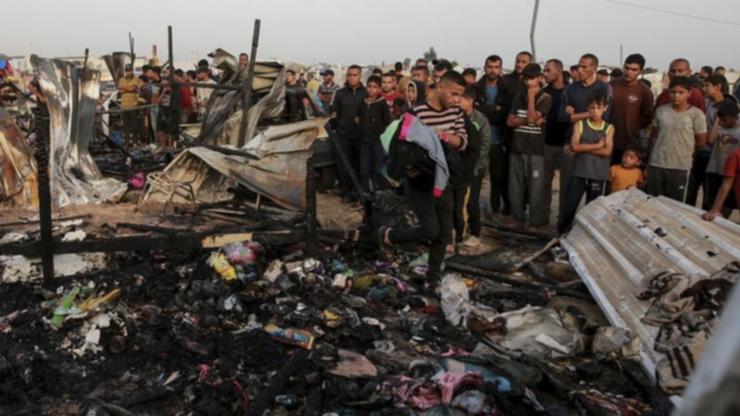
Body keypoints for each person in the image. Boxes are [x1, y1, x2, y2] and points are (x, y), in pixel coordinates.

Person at [383, 71, 469, 279]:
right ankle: (390, 236)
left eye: (460, 95)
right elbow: (400, 147)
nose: (456, 99)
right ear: (440, 87)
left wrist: (444, 136)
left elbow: (462, 142)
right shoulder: (417, 113)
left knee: (445, 233)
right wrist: (410, 169)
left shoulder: (456, 113)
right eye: (454, 93)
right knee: (430, 230)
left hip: (443, 179)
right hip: (421, 181)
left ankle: (433, 274)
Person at [558, 53, 612, 225]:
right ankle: (563, 230)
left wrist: (576, 115)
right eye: (579, 66)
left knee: (594, 197)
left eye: (584, 67)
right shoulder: (571, 89)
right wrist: (585, 115)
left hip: (596, 149)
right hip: (572, 147)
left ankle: (588, 230)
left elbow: (603, 119)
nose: (580, 70)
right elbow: (562, 117)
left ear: (594, 68)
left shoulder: (604, 89)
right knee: (569, 194)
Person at [506, 63, 552, 229]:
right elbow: (510, 121)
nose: (529, 83)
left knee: (536, 188)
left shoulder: (545, 98)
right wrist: (529, 120)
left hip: (535, 150)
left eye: (532, 79)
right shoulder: (518, 96)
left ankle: (535, 221)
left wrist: (532, 98)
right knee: (515, 187)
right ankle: (518, 218)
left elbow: (533, 117)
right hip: (518, 147)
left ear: (539, 78)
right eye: (526, 79)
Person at [648, 76, 708, 202]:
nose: (676, 96)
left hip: (680, 167)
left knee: (675, 205)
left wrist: (689, 156)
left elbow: (701, 142)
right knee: (654, 203)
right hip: (657, 164)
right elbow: (654, 137)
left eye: (681, 92)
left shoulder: (696, 115)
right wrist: (649, 160)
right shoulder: (661, 111)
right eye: (673, 92)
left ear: (689, 93)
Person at [473, 54, 509, 216]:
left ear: (500, 69)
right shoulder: (476, 88)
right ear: (485, 67)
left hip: (497, 140)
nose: (493, 70)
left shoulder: (506, 90)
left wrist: (486, 111)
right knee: (475, 178)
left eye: (496, 67)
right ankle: (473, 212)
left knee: (497, 179)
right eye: (490, 67)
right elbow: (475, 112)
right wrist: (494, 109)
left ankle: (494, 210)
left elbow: (504, 115)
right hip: (479, 141)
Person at [694, 74, 737, 207]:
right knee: (705, 194)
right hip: (708, 157)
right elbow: (709, 136)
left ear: (718, 87)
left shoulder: (730, 107)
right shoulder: (706, 103)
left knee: (723, 198)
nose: (704, 88)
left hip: (724, 160)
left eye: (707, 85)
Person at [609, 53, 654, 164]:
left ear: (640, 71)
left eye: (634, 70)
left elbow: (648, 116)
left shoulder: (644, 91)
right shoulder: (611, 85)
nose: (629, 72)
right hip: (607, 140)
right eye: (627, 68)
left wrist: (635, 126)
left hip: (630, 143)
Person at [460, 86, 491, 246]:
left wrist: (474, 164)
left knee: (472, 200)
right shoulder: (456, 117)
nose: (457, 102)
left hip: (475, 167)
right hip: (460, 166)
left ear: (470, 101)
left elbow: (485, 145)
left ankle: (475, 232)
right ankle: (460, 231)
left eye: (461, 100)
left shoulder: (480, 120)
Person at [331, 65, 367, 201]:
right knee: (343, 166)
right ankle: (345, 191)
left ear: (360, 76)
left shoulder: (365, 92)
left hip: (360, 136)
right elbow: (333, 114)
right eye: (350, 75)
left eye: (355, 75)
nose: (352, 77)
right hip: (343, 135)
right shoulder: (340, 93)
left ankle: (357, 193)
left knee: (359, 165)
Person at [543, 59, 570, 220]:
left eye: (548, 70)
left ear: (559, 71)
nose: (545, 74)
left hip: (566, 144)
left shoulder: (571, 91)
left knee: (566, 185)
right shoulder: (545, 93)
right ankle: (543, 217)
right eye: (544, 71)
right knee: (544, 183)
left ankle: (563, 220)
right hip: (547, 143)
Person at [704, 101, 740, 214]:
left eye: (726, 120)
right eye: (721, 120)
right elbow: (710, 140)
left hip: (731, 172)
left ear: (735, 117)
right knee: (710, 201)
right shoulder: (719, 128)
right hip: (715, 169)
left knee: (728, 203)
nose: (723, 123)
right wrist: (717, 121)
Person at [358, 75, 391, 193]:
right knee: (364, 169)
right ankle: (364, 194)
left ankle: (382, 194)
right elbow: (358, 118)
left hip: (378, 142)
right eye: (369, 86)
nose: (371, 89)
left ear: (379, 89)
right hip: (364, 141)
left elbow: (387, 122)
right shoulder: (362, 102)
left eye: (375, 87)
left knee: (379, 168)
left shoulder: (382, 103)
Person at [702, 148, 740, 221]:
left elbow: (726, 184)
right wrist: (715, 209)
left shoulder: (735, 155)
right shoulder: (735, 156)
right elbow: (726, 184)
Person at [118, 63, 141, 146]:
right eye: (127, 71)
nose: (128, 72)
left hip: (133, 105)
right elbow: (120, 90)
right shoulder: (121, 79)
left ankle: (134, 141)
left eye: (130, 71)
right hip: (124, 105)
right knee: (125, 125)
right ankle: (127, 141)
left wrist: (124, 88)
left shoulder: (135, 79)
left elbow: (132, 89)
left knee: (134, 124)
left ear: (132, 71)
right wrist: (128, 89)